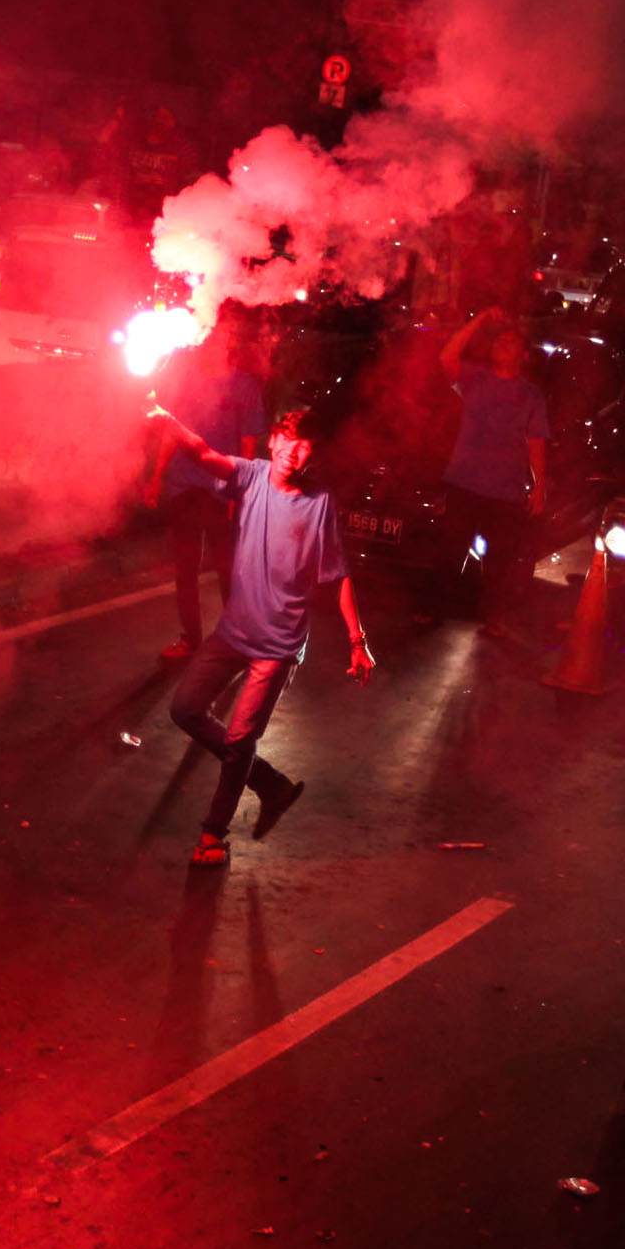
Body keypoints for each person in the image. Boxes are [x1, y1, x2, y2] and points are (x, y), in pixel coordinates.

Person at [145, 405, 375, 867]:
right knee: (184, 708)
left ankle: (213, 834)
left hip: (278, 646)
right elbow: (204, 453)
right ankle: (267, 781)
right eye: (288, 439)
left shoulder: (320, 502)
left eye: (306, 444)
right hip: (233, 632)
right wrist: (169, 420)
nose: (295, 451)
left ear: (314, 452)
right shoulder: (251, 477)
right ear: (273, 441)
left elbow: (337, 574)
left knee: (237, 742)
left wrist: (357, 639)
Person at [142, 313, 268, 660]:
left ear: (230, 345)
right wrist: (157, 477)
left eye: (219, 339)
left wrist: (241, 491)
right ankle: (190, 638)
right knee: (185, 571)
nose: (211, 345)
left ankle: (234, 640)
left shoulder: (244, 385)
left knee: (229, 571)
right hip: (184, 487)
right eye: (208, 338)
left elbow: (248, 441)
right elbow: (172, 431)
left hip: (221, 490)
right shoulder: (189, 382)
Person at [431, 306, 548, 636]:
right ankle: (435, 608)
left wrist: (539, 487)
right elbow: (446, 357)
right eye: (499, 340)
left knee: (500, 561)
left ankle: (493, 616)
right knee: (450, 551)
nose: (502, 345)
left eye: (511, 342)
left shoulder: (530, 395)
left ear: (523, 354)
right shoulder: (474, 378)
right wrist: (479, 319)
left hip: (506, 489)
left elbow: (536, 442)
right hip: (464, 482)